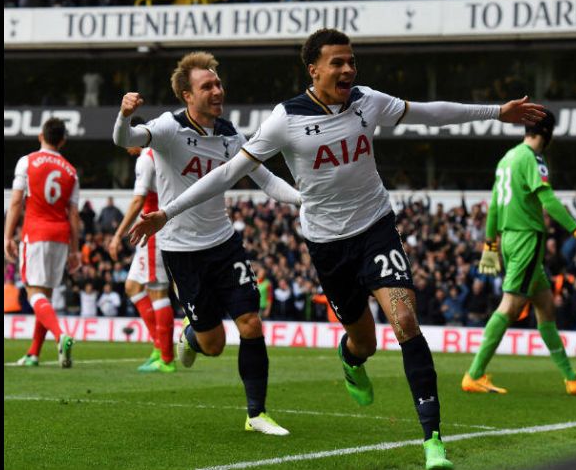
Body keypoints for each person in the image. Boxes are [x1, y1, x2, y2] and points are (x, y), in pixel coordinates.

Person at [128, 28, 546, 469]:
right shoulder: (284, 119)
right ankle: (351, 359)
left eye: (351, 61)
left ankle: (433, 441)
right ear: (314, 70)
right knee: (362, 340)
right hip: (327, 245)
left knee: (405, 319)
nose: (349, 69)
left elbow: (428, 113)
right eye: (338, 63)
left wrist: (497, 111)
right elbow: (229, 173)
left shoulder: (367, 100)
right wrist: (168, 212)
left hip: (376, 227)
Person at [112, 51, 302, 435]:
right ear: (187, 95)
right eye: (207, 86)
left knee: (251, 323)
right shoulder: (168, 128)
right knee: (212, 344)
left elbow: (265, 180)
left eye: (218, 83)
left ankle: (256, 414)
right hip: (181, 250)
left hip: (224, 242)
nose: (218, 90)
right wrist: (123, 113)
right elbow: (125, 138)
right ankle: (190, 336)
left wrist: (304, 199)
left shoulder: (231, 134)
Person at [462, 109, 576, 397]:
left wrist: (490, 243)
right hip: (527, 238)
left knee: (546, 308)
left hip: (510, 239)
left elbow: (495, 204)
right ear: (548, 134)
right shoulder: (532, 158)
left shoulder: (507, 159)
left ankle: (571, 377)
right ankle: (474, 374)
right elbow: (547, 198)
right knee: (510, 306)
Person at [4, 118, 79, 368]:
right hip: (60, 236)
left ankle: (61, 335)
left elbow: (16, 202)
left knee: (33, 292)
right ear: (63, 141)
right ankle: (34, 353)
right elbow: (73, 215)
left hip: (35, 233)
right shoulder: (70, 171)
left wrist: (7, 236)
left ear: (40, 136)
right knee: (44, 294)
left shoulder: (27, 162)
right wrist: (76, 249)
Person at [109, 116, 177, 373]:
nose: (125, 146)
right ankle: (159, 346)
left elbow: (138, 201)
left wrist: (118, 234)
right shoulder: (156, 154)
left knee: (158, 291)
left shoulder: (146, 158)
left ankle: (167, 358)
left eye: (127, 138)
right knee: (132, 287)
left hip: (153, 230)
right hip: (153, 228)